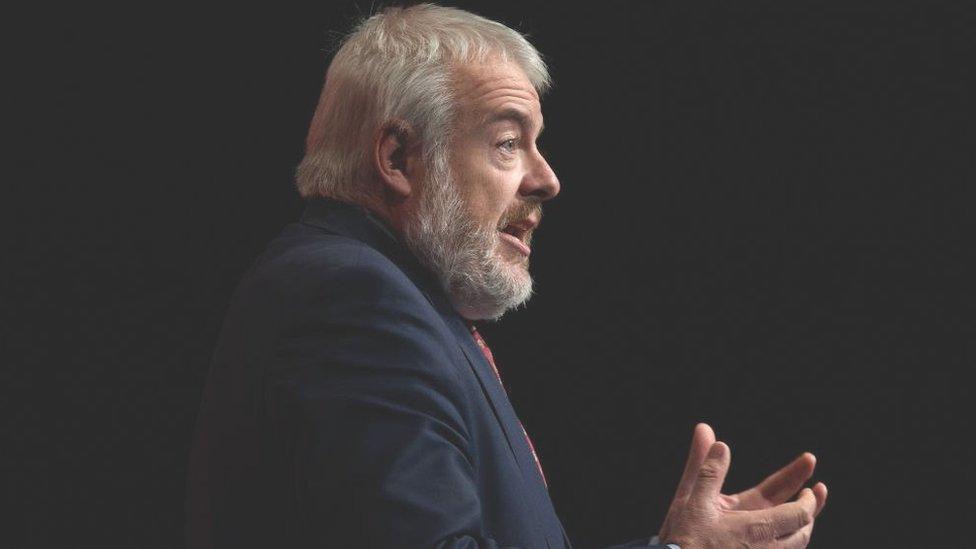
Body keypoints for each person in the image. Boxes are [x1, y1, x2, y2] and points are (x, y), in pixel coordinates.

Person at [186, 4, 828, 548]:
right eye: (506, 143)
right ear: (398, 157)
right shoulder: (353, 300)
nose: (546, 180)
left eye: (535, 144)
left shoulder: (383, 295)